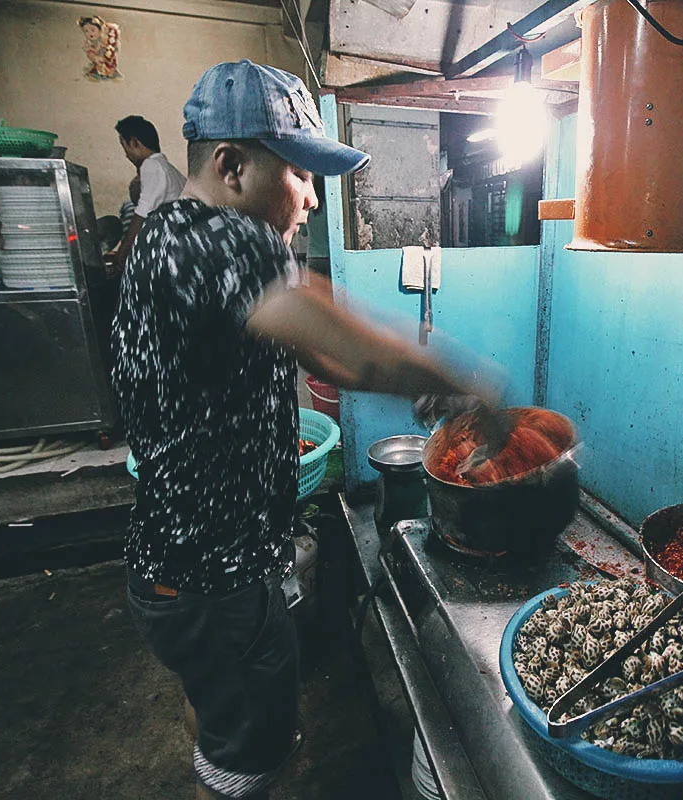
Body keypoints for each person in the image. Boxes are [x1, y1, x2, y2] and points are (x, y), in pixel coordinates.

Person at [111, 60, 495, 800]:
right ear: (230, 164)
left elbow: (326, 354)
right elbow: (354, 350)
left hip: (168, 571)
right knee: (252, 764)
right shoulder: (225, 240)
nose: (314, 197)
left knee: (219, 719)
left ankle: (217, 749)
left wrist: (408, 378)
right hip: (217, 583)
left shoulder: (165, 236)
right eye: (300, 172)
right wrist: (474, 387)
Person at [109, 115, 186, 271]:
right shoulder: (167, 169)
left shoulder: (151, 165)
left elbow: (141, 214)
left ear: (134, 142)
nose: (126, 154)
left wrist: (122, 254)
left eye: (124, 145)